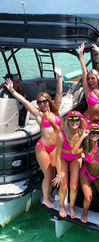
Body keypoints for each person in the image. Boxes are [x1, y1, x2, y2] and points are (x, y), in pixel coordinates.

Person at [5, 67, 63, 209]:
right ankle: (46, 199)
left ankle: (49, 195)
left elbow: (60, 93)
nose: (42, 104)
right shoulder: (38, 115)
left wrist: (60, 77)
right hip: (43, 148)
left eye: (44, 101)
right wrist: (12, 91)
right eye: (39, 102)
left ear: (49, 101)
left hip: (55, 147)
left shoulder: (56, 111)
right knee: (48, 174)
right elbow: (25, 102)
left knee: (54, 171)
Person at [72, 123, 99, 227]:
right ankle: (85, 212)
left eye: (97, 132)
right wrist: (83, 137)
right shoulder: (85, 145)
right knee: (88, 198)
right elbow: (74, 151)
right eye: (92, 132)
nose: (95, 134)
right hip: (86, 173)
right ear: (89, 133)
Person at [53, 111, 84, 219]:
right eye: (72, 120)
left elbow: (86, 148)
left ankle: (71, 207)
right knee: (63, 185)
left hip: (75, 159)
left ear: (80, 121)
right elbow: (57, 155)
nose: (75, 122)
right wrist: (58, 173)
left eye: (77, 120)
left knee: (74, 187)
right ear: (67, 121)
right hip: (62, 158)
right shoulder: (62, 135)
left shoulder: (82, 133)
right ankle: (62, 206)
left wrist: (79, 155)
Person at [78, 42, 99, 128]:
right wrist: (81, 54)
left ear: (97, 78)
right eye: (88, 78)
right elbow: (84, 71)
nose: (90, 80)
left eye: (92, 78)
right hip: (87, 122)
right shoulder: (88, 90)